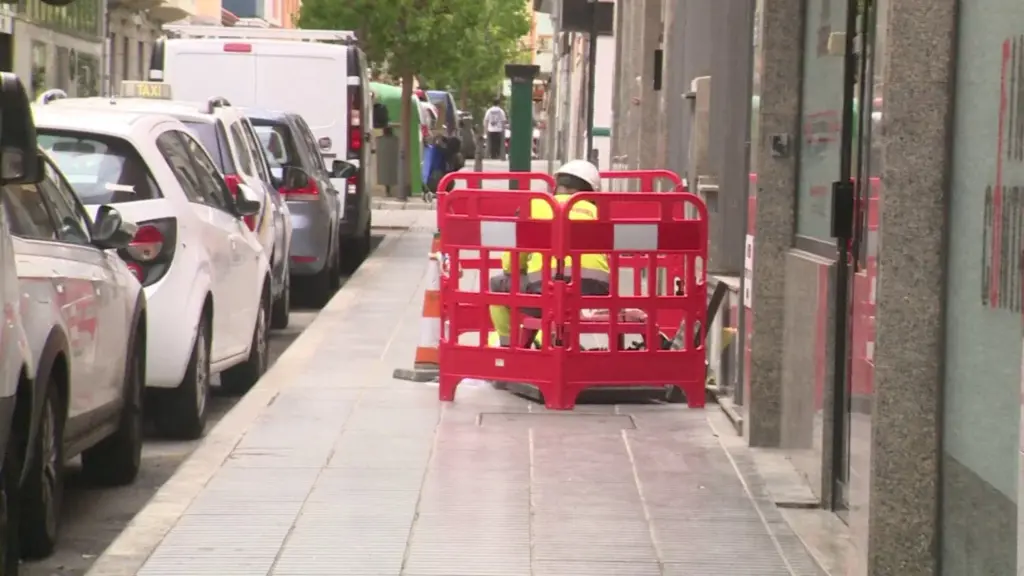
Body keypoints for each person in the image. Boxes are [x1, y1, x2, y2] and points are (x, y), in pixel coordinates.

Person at [487, 160, 610, 347]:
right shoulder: (598, 212)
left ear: (557, 186)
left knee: (497, 284)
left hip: (545, 292)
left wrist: (522, 269)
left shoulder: (536, 205)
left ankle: (507, 347)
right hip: (595, 295)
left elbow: (511, 264)